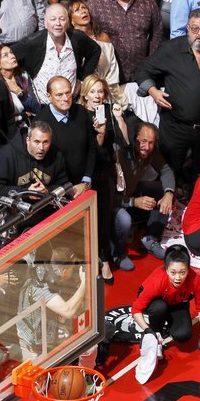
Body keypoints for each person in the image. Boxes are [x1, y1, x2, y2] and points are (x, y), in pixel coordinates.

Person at [137, 9, 200, 194]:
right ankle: (163, 217)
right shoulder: (171, 49)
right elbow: (142, 70)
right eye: (195, 28)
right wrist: (153, 91)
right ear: (187, 28)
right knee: (168, 171)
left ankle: (195, 215)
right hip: (175, 127)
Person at [131, 247, 200, 385]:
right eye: (173, 272)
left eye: (182, 272)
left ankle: (168, 324)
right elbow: (136, 310)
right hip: (157, 303)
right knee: (159, 308)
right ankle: (156, 333)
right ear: (166, 269)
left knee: (183, 335)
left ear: (188, 269)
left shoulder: (195, 279)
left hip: (177, 304)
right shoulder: (157, 280)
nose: (178, 277)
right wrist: (148, 330)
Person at [78, 73, 129, 283]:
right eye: (93, 91)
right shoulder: (80, 114)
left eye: (100, 91)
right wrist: (99, 132)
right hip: (87, 172)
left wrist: (118, 118)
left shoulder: (108, 110)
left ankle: (106, 258)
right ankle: (90, 260)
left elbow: (124, 141)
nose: (97, 96)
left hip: (106, 171)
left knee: (105, 217)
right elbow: (92, 150)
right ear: (85, 94)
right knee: (88, 219)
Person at [87, 0, 164, 85]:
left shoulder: (147, 1)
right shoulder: (95, 4)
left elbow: (157, 32)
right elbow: (86, 35)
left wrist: (151, 62)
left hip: (141, 74)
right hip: (109, 76)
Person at [12, 3, 101, 104]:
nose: (58, 23)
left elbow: (95, 51)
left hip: (71, 104)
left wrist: (81, 79)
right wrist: (14, 85)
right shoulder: (33, 42)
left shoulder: (76, 38)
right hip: (43, 107)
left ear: (68, 22)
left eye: (62, 19)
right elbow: (6, 56)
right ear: (45, 23)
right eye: (53, 19)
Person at [114, 123, 176, 269]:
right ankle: (117, 252)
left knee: (163, 189)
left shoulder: (151, 152)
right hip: (114, 201)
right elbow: (107, 197)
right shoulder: (120, 154)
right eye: (143, 141)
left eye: (151, 143)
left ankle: (150, 239)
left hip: (132, 192)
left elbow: (166, 171)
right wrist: (133, 202)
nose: (147, 147)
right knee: (124, 220)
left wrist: (169, 193)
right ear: (134, 138)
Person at [16, 246, 88, 360]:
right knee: (38, 377)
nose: (74, 272)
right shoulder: (41, 286)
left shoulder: (54, 275)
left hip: (53, 332)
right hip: (35, 346)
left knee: (89, 348)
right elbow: (68, 311)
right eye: (72, 269)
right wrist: (85, 282)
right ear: (64, 271)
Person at [32, 76, 97, 199]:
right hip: (59, 192)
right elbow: (41, 164)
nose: (65, 98)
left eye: (68, 93)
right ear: (49, 96)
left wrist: (86, 181)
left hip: (85, 185)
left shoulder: (81, 112)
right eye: (59, 95)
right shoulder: (40, 123)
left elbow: (91, 149)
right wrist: (67, 189)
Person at [0, 121, 72, 201]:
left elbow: (64, 185)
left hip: (47, 206)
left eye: (46, 142)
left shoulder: (56, 154)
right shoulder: (6, 155)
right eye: (37, 142)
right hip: (17, 211)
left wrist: (47, 191)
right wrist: (26, 192)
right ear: (28, 140)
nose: (41, 148)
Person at [67, 0, 125, 108]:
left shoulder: (103, 36)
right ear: (71, 20)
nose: (83, 11)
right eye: (77, 10)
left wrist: (105, 90)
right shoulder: (71, 42)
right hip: (83, 96)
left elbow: (112, 66)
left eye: (84, 8)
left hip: (108, 91)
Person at [0, 43, 41, 124]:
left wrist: (18, 91)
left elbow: (36, 108)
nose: (12, 56)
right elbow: (3, 118)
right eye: (5, 55)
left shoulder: (23, 77)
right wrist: (23, 115)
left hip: (29, 126)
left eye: (11, 52)